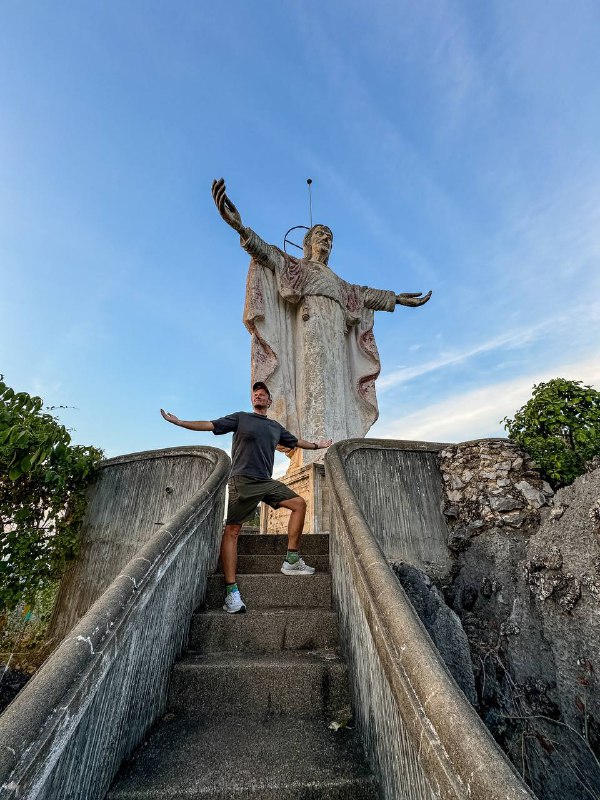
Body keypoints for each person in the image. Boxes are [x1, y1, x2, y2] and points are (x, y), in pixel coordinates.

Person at [211, 177, 431, 470]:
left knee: (338, 390)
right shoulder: (297, 268)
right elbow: (266, 252)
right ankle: (313, 452)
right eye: (320, 235)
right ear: (307, 243)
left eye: (330, 237)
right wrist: (239, 226)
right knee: (314, 389)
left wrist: (398, 299)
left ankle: (339, 451)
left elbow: (366, 295)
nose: (326, 240)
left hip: (336, 335)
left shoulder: (341, 284)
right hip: (311, 329)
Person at [161, 381, 332, 613]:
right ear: (253, 400)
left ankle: (291, 560)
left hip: (265, 481)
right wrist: (180, 422)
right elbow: (210, 424)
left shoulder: (274, 427)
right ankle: (231, 593)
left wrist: (316, 445)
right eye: (256, 394)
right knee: (233, 530)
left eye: (263, 395)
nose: (259, 396)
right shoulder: (241, 418)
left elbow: (295, 441)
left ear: (269, 401)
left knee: (299, 504)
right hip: (243, 480)